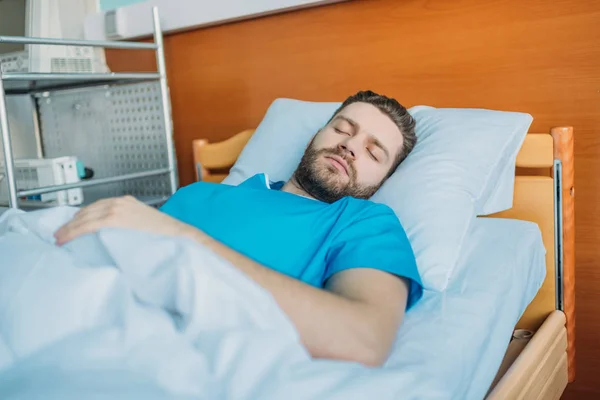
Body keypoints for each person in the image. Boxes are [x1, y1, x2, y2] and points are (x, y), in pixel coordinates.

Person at [54, 90, 423, 367]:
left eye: (374, 153)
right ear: (317, 134)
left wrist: (185, 239)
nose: (349, 146)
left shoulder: (366, 223)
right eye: (343, 128)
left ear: (383, 179)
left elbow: (363, 339)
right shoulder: (197, 195)